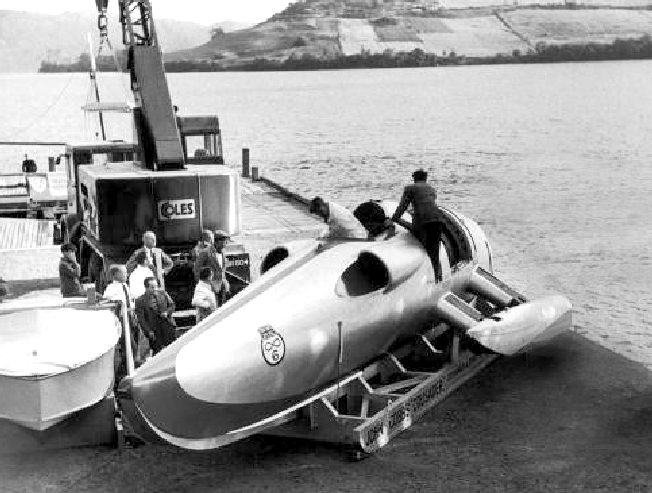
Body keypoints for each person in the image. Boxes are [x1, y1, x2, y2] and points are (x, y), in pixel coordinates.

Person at [391, 169, 443, 281]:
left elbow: (402, 206)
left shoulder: (410, 188)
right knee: (434, 252)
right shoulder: (432, 189)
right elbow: (428, 205)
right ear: (425, 178)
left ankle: (426, 278)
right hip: (438, 220)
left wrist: (394, 219)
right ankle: (438, 278)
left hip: (423, 222)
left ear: (415, 178)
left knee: (422, 247)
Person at [135, 277, 177, 355]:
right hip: (154, 330)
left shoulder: (163, 293)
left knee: (173, 350)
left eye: (156, 286)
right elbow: (141, 319)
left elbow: (172, 305)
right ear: (146, 287)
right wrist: (148, 332)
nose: (155, 289)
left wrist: (167, 313)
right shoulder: (139, 301)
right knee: (158, 353)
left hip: (167, 326)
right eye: (152, 287)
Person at [193, 229, 230, 306]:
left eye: (226, 241)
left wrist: (226, 285)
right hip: (209, 287)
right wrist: (202, 286)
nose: (226, 243)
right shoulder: (205, 253)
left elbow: (222, 270)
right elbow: (196, 270)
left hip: (221, 286)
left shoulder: (223, 253)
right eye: (224, 241)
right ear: (217, 242)